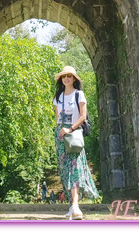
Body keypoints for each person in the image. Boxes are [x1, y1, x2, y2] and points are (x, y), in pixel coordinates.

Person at [53, 66, 98, 220]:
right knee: (64, 170)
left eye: (69, 76)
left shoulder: (79, 94)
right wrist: (60, 131)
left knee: (74, 169)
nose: (66, 79)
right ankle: (72, 206)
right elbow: (57, 118)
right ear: (61, 79)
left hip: (73, 134)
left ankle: (76, 206)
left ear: (74, 79)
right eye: (64, 76)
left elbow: (83, 116)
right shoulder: (58, 96)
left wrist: (70, 129)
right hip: (60, 136)